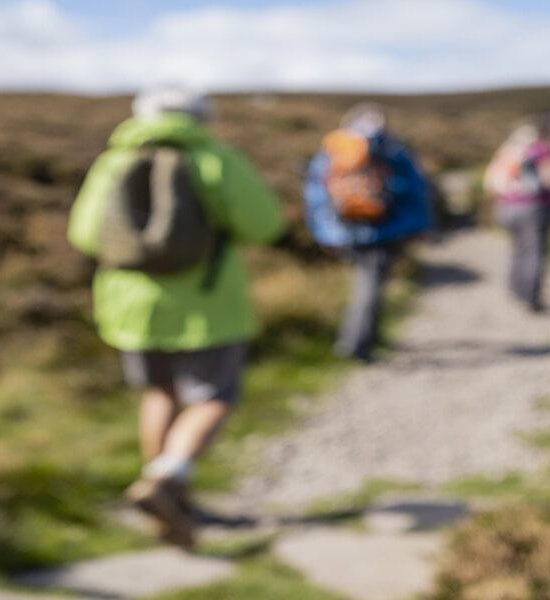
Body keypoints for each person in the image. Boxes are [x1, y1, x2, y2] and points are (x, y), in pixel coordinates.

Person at [67, 86, 285, 546]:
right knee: (214, 396)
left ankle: (166, 503)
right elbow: (264, 225)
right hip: (209, 306)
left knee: (159, 392)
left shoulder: (113, 162)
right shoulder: (217, 160)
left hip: (132, 306)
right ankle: (168, 480)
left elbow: (85, 236)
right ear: (202, 116)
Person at [303, 103, 432, 362]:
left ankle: (369, 337)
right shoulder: (391, 150)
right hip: (384, 230)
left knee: (366, 284)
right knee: (371, 286)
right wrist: (419, 226)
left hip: (346, 230)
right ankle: (355, 345)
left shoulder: (332, 151)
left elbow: (316, 195)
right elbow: (415, 190)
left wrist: (326, 232)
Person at [484, 118, 550, 312]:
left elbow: (488, 182)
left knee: (517, 249)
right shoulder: (540, 150)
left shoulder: (506, 151)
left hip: (506, 208)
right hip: (533, 209)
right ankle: (531, 299)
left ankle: (515, 290)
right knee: (534, 252)